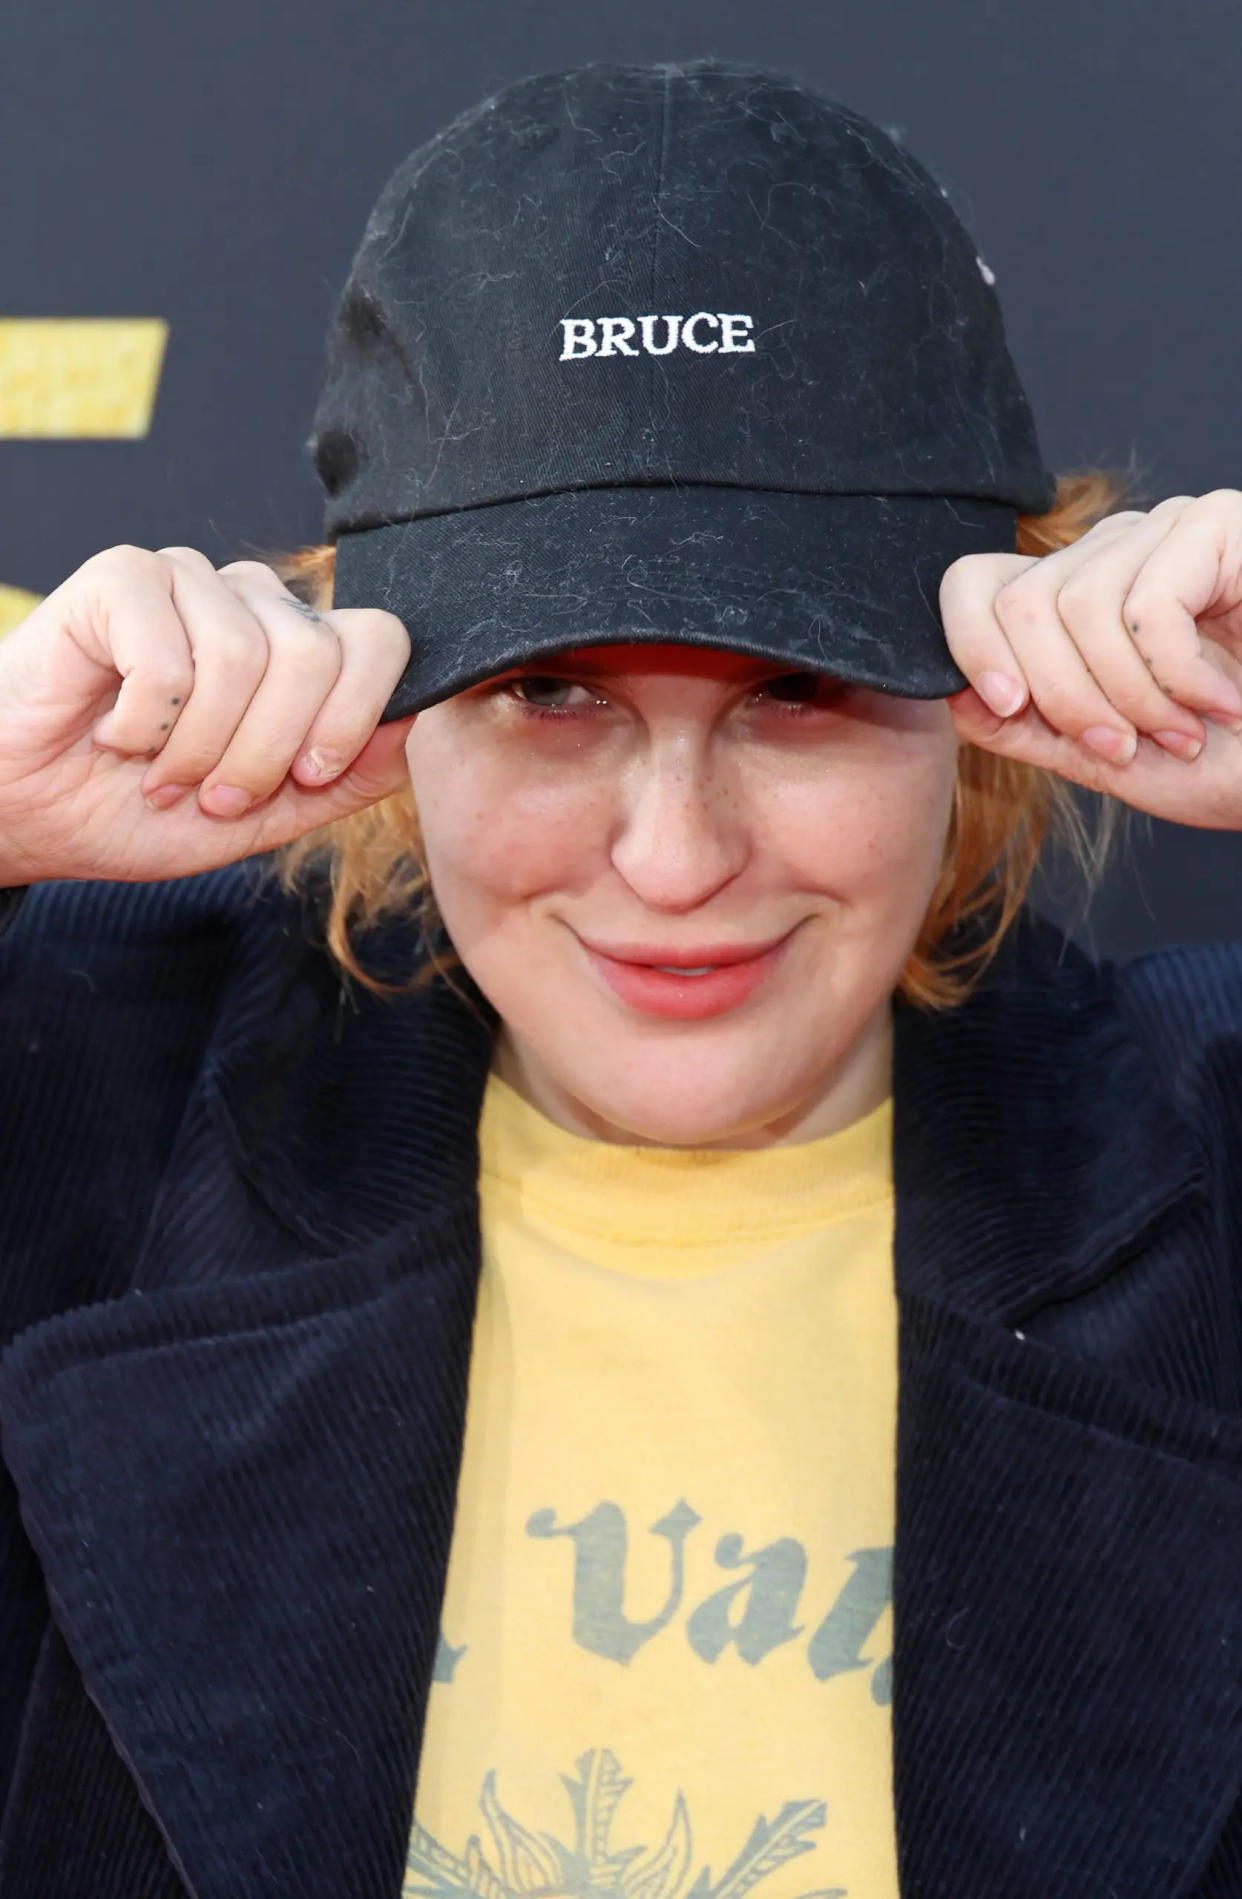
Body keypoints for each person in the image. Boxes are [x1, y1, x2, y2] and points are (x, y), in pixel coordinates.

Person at [2, 53, 1242, 1899]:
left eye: (798, 690)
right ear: (371, 677)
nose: (673, 860)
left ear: (994, 689)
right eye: (547, 691)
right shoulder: (91, 1090)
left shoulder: (1203, 1148)